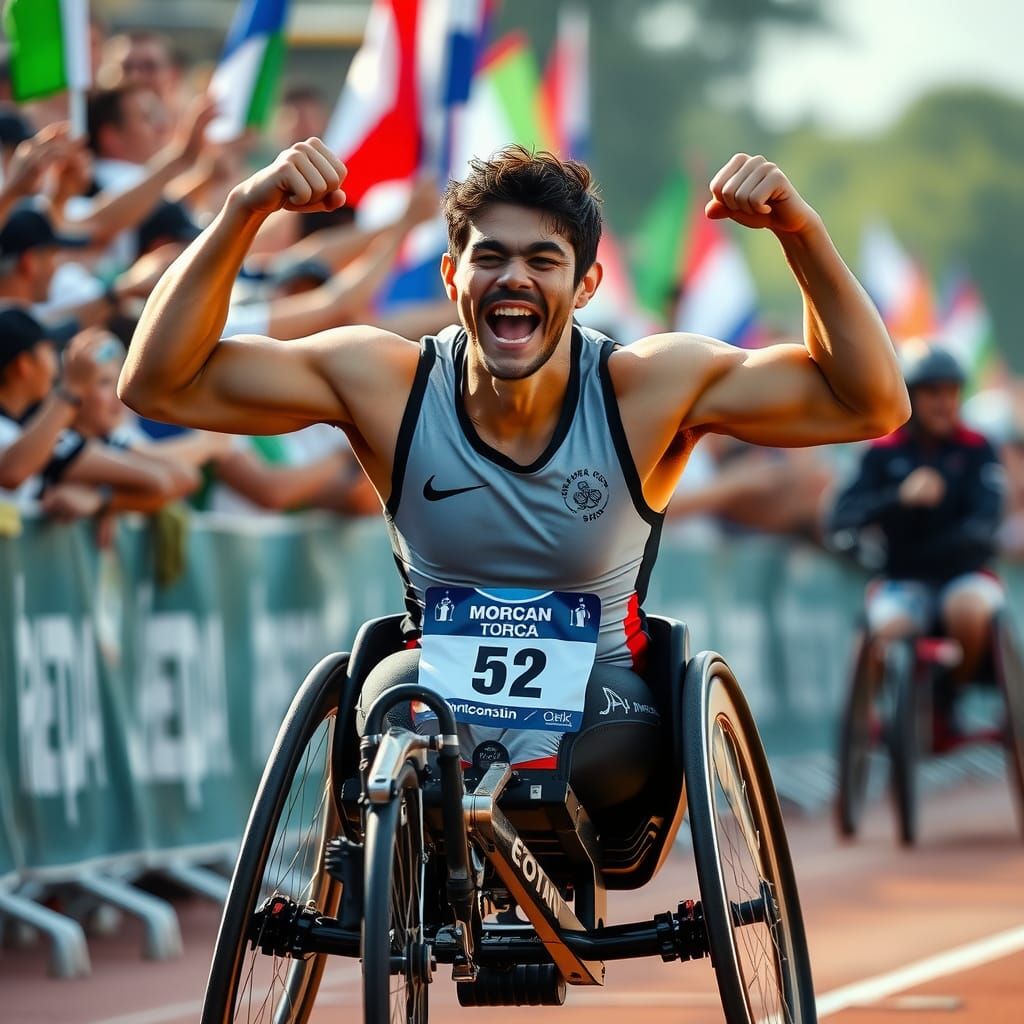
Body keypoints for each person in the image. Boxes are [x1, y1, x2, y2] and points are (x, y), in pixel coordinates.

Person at [120, 141, 908, 811]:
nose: (514, 278)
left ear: (586, 286)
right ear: (452, 276)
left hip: (603, 702)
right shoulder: (385, 382)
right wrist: (243, 212)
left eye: (543, 260)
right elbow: (160, 384)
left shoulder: (646, 388)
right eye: (489, 257)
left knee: (526, 756)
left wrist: (800, 232)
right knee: (398, 710)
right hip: (429, 690)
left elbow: (870, 403)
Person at [828, 344, 1005, 731]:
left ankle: (947, 695)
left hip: (964, 575)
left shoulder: (977, 448)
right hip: (903, 580)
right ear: (909, 395)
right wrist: (900, 497)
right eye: (932, 392)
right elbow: (841, 516)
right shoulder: (881, 452)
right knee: (884, 632)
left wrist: (933, 552)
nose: (944, 403)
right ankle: (868, 723)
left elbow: (987, 520)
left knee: (967, 609)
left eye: (951, 392)